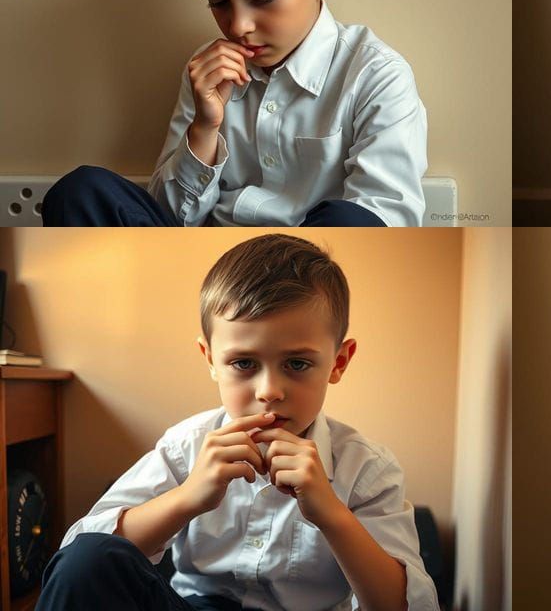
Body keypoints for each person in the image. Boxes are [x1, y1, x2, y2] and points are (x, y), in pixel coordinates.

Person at [37, 234, 440, 611]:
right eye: (243, 363)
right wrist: (187, 498)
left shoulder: (368, 470)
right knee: (87, 561)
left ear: (338, 362)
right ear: (211, 359)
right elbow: (79, 554)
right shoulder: (187, 446)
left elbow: (405, 604)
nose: (269, 391)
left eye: (297, 364)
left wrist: (332, 514)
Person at [43, 0, 427, 227]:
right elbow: (167, 220)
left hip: (301, 265)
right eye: (218, 2)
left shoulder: (377, 76)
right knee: (80, 191)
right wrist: (205, 128)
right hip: (204, 258)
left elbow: (384, 217)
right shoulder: (207, 71)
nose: (239, 25)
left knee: (355, 221)